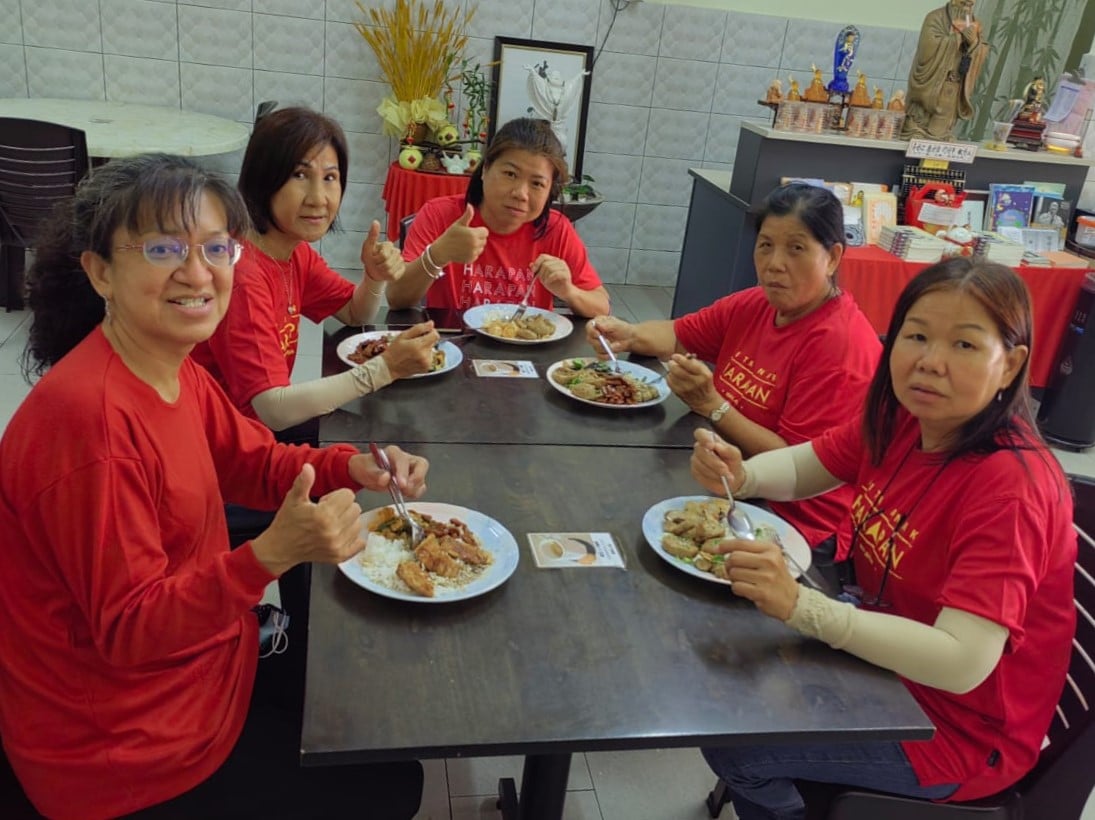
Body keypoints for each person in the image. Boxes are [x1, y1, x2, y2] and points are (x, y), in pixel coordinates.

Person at [0, 154, 427, 819]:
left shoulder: (166, 363)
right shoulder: (91, 426)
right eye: (163, 248)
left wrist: (353, 466)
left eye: (215, 247)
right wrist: (268, 556)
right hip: (120, 750)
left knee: (374, 715)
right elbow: (130, 630)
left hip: (200, 666)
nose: (197, 273)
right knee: (390, 786)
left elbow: (252, 462)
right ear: (100, 271)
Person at [691, 257, 1075, 819]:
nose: (930, 362)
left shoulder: (1011, 489)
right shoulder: (904, 417)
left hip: (956, 729)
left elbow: (962, 661)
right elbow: (811, 465)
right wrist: (744, 474)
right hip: (886, 646)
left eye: (965, 346)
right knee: (724, 670)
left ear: (1011, 364)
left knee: (739, 744)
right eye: (916, 336)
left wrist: (807, 609)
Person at [589, 183, 881, 561]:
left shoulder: (841, 347)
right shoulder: (756, 303)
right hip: (724, 475)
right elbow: (678, 335)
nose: (775, 263)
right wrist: (626, 333)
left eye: (796, 248)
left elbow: (796, 464)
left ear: (833, 257)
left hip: (793, 522)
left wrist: (713, 405)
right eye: (765, 245)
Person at [191, 106, 439, 432]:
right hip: (226, 443)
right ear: (263, 179)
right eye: (299, 175)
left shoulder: (294, 253)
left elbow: (355, 313)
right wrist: (384, 369)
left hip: (258, 428)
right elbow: (273, 408)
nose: (318, 198)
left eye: (330, 177)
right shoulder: (242, 275)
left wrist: (374, 277)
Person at [385, 117, 610, 317]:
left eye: (537, 184)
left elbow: (601, 306)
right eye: (510, 174)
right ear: (485, 169)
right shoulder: (440, 215)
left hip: (527, 355)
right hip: (453, 348)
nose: (521, 193)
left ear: (550, 189)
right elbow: (396, 298)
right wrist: (437, 255)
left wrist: (568, 291)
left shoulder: (556, 229)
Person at [902, 0, 988, 140]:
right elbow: (927, 48)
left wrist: (974, 43)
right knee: (919, 127)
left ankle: (943, 132)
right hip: (933, 83)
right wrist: (958, 38)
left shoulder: (975, 23)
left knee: (944, 125)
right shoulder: (935, 17)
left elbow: (981, 50)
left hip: (955, 85)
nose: (969, 2)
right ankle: (919, 127)